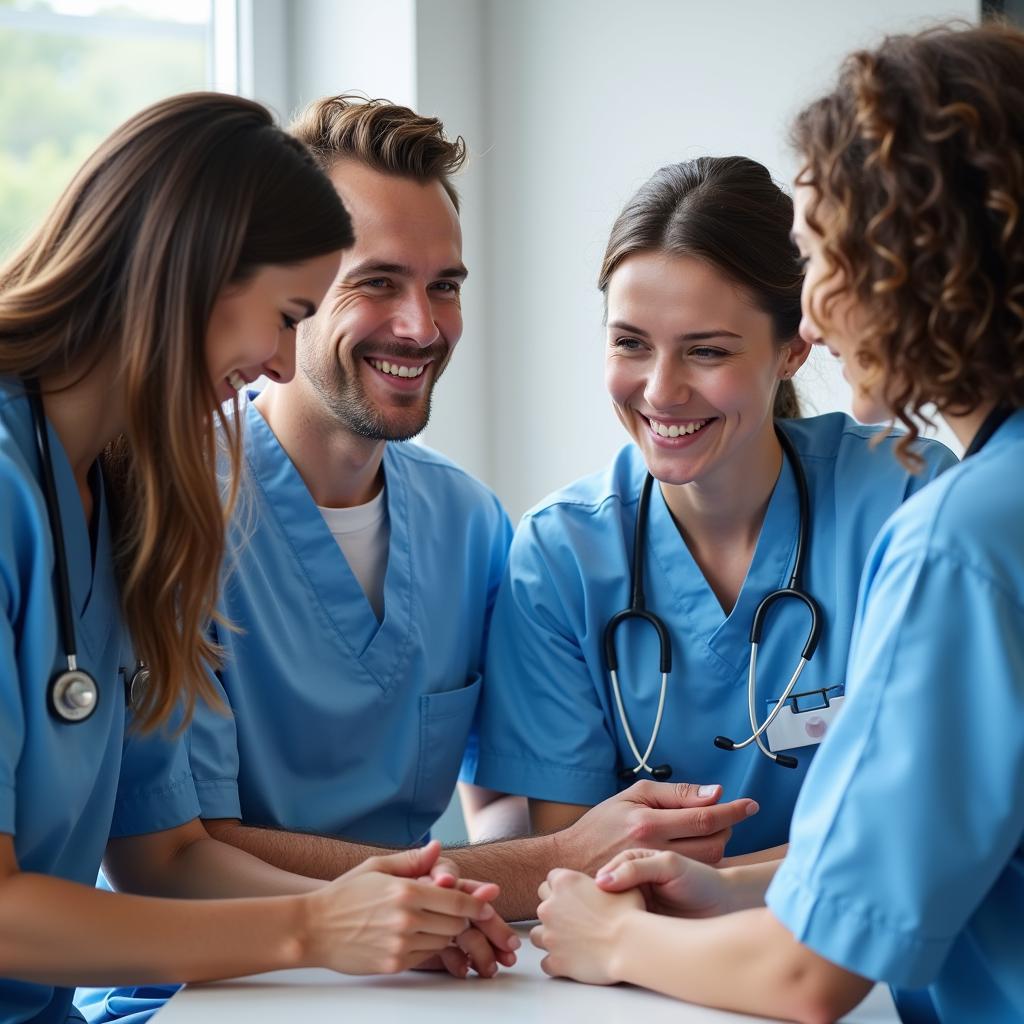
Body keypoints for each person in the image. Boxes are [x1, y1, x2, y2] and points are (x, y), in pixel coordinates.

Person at [86, 96, 772, 1023]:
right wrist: (541, 866)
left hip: (421, 991)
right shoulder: (173, 508)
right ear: (296, 285)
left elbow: (500, 803)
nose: (421, 325)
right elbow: (176, 857)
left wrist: (500, 900)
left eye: (445, 285)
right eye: (376, 282)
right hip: (203, 997)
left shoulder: (468, 523)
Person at [530, 22, 1024, 1024]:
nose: (814, 313)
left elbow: (809, 980)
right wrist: (736, 891)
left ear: (910, 257)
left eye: (816, 253)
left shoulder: (958, 535)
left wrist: (613, 937)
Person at [0, 92, 510, 1024]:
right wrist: (316, 928)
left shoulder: (119, 489)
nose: (281, 361)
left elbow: (162, 849)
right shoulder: (48, 493)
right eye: (286, 314)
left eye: (444, 286)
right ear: (187, 275)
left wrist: (403, 916)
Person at [471, 155, 955, 861]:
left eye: (706, 351)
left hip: (873, 952)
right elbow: (573, 852)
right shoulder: (560, 554)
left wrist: (720, 886)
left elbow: (933, 811)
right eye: (630, 343)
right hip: (631, 955)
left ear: (792, 349)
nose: (662, 392)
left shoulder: (905, 497)